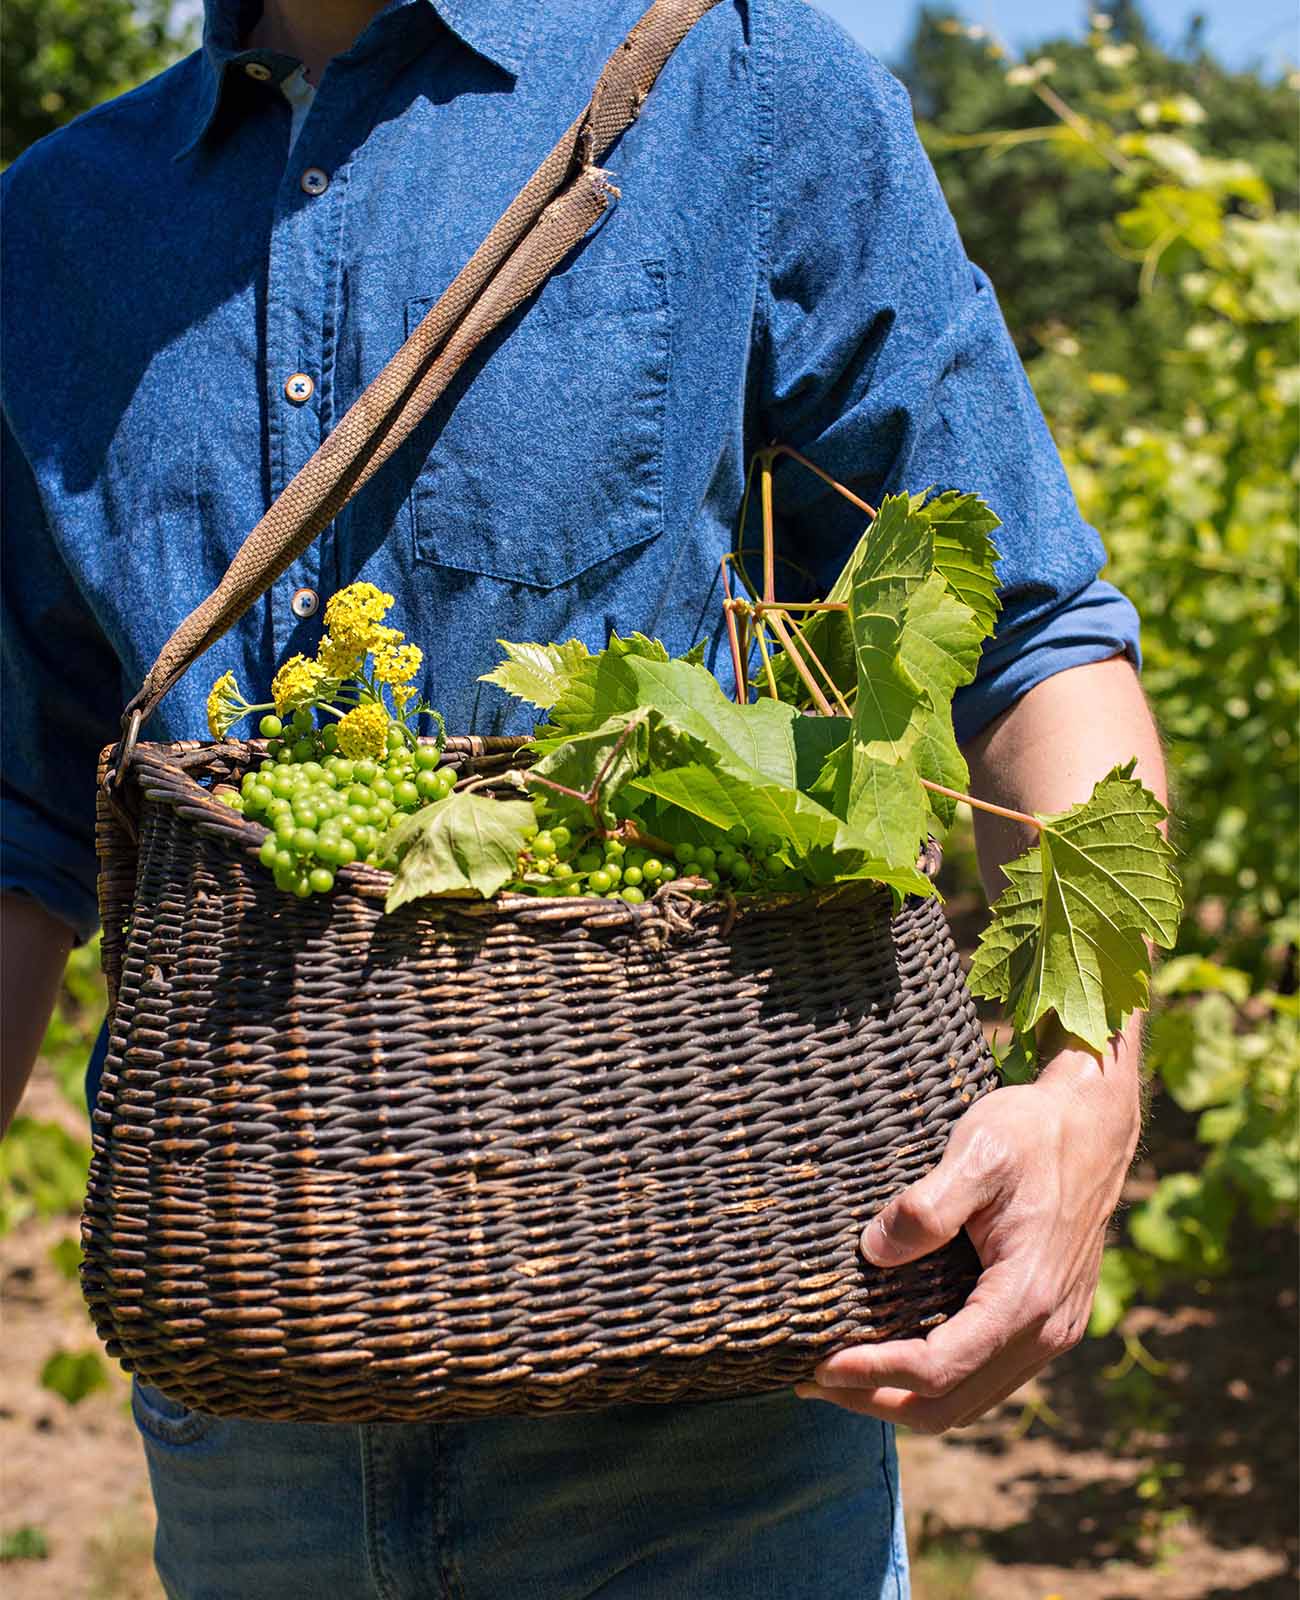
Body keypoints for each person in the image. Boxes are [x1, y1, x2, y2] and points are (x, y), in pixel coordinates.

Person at [0, 1, 1166, 1595]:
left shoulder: (740, 83)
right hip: (251, 1402)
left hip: (711, 1406)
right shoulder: (55, 220)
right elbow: (19, 819)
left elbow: (1030, 631)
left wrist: (1092, 1093)